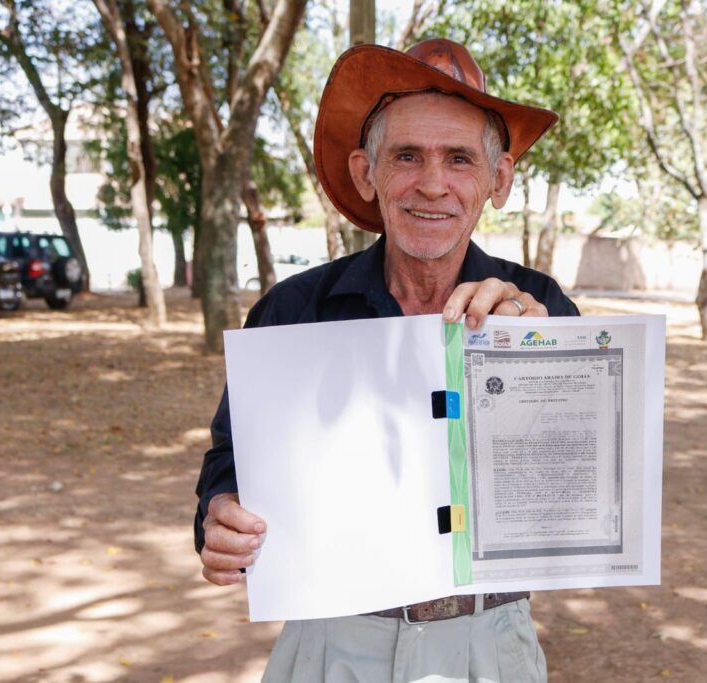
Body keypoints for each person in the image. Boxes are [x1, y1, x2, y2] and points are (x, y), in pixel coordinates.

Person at [194, 39, 578, 681]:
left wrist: (538, 361)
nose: (433, 182)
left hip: (489, 645)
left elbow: (571, 484)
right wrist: (219, 513)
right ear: (367, 173)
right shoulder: (293, 311)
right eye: (407, 156)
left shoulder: (539, 309)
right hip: (331, 644)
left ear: (498, 179)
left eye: (459, 158)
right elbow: (230, 462)